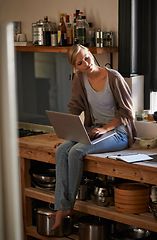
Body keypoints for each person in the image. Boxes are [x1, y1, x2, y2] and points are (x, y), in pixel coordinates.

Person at [49, 44, 137, 230]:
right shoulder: (79, 79)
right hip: (94, 130)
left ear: (91, 54)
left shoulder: (113, 77)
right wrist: (69, 134)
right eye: (80, 63)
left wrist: (106, 128)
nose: (86, 64)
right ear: (75, 67)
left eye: (87, 58)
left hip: (118, 133)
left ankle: (66, 208)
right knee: (63, 150)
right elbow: (74, 107)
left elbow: (128, 112)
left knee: (76, 152)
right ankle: (61, 208)